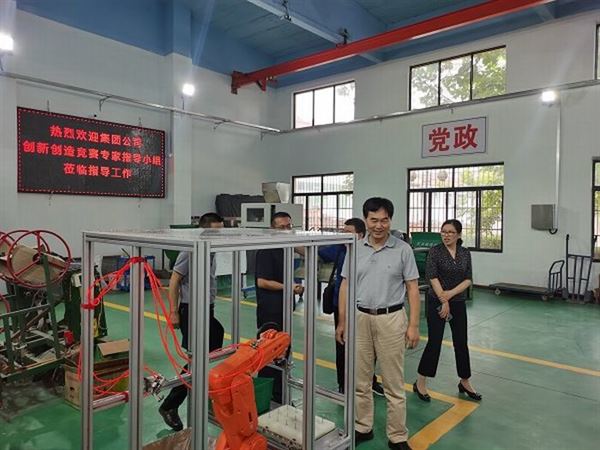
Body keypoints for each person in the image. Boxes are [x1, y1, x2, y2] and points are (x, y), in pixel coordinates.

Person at [336, 198, 420, 450]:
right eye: (374, 220)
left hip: (391, 318)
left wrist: (413, 325)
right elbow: (345, 285)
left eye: (384, 220)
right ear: (366, 220)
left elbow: (412, 288)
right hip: (360, 318)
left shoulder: (403, 249)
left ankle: (397, 436)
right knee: (360, 380)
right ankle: (363, 426)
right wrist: (342, 321)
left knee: (393, 382)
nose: (379, 225)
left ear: (390, 220)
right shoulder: (355, 248)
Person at [158, 213, 226, 431]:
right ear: (203, 231)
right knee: (197, 358)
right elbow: (174, 280)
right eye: (215, 231)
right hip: (191, 309)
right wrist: (173, 312)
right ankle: (170, 405)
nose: (219, 235)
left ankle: (198, 386)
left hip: (206, 308)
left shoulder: (211, 249)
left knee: (214, 341)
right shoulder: (190, 250)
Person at [414, 219, 481, 402]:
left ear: (458, 234)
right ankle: (420, 382)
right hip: (436, 301)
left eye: (451, 232)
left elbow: (468, 279)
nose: (446, 235)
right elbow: (432, 276)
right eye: (444, 232)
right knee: (434, 342)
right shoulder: (435, 252)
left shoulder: (465, 253)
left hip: (457, 301)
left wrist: (450, 295)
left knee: (461, 342)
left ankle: (465, 381)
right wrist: (443, 300)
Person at [318, 218, 384, 396]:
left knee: (369, 347)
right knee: (343, 346)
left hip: (365, 307)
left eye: (348, 232)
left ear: (360, 235)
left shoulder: (369, 252)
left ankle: (370, 380)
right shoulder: (339, 249)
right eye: (343, 231)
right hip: (341, 306)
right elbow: (315, 252)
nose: (343, 235)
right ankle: (344, 384)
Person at [254, 211, 304, 403]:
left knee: (283, 350)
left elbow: (307, 251)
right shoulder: (267, 250)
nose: (286, 230)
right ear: (272, 229)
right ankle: (266, 398)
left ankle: (279, 395)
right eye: (281, 227)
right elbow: (262, 282)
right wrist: (289, 287)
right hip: (270, 310)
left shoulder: (286, 247)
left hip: (284, 307)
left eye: (289, 226)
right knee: (269, 353)